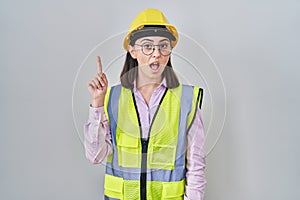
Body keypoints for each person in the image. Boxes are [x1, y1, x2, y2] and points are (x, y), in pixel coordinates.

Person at [84, 8, 206, 200]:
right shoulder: (112, 97)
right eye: (147, 46)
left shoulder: (187, 99)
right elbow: (95, 156)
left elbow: (196, 167)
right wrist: (97, 103)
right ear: (132, 51)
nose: (156, 54)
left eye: (163, 46)